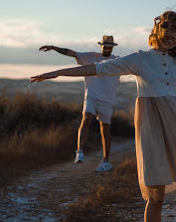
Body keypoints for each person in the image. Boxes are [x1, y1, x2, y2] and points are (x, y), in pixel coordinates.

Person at [32, 10, 176, 222]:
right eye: (171, 31)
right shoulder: (140, 59)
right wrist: (57, 73)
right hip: (152, 128)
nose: (175, 38)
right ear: (158, 29)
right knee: (155, 195)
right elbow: (98, 68)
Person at [38, 35, 120, 172]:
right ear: (101, 46)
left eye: (109, 46)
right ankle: (79, 152)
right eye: (105, 46)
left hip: (107, 100)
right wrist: (54, 48)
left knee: (106, 132)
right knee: (86, 118)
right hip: (92, 96)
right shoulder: (91, 57)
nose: (107, 48)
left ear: (113, 47)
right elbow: (71, 53)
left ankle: (106, 161)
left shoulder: (117, 61)